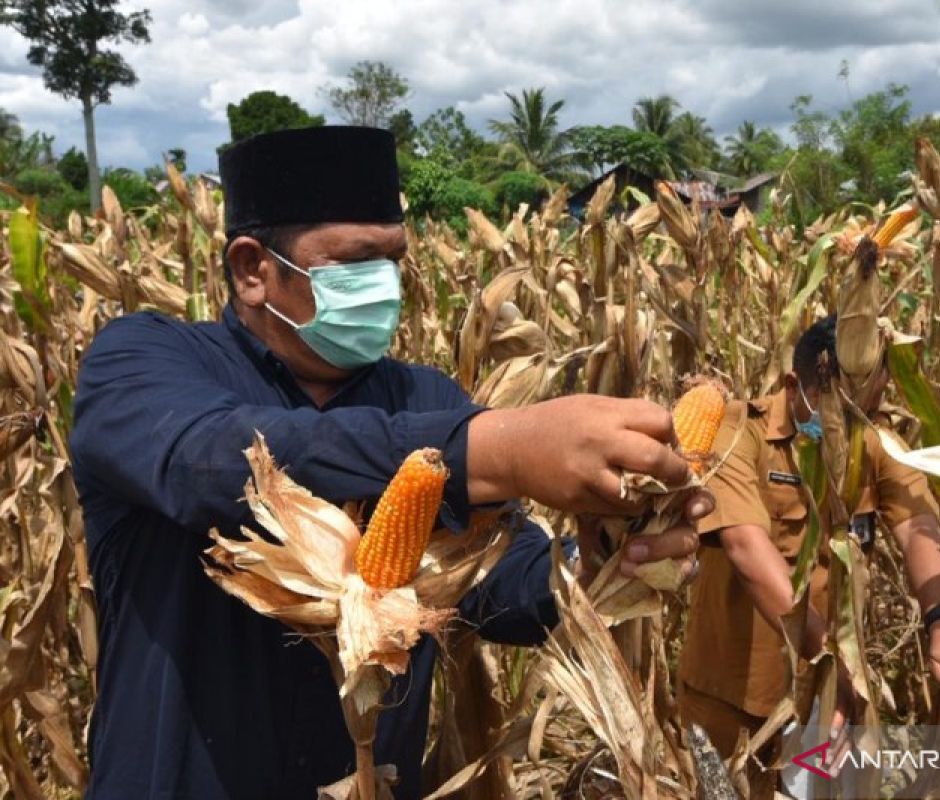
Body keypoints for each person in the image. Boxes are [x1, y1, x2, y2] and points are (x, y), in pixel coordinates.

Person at [69, 126, 707, 800]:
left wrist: (596, 565)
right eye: (355, 262)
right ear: (253, 269)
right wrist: (489, 451)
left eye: (394, 260)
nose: (384, 285)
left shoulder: (424, 395)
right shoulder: (141, 361)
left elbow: (493, 579)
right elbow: (208, 463)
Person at [676, 315, 940, 798]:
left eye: (873, 401)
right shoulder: (737, 431)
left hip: (826, 700)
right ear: (794, 385)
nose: (856, 422)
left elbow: (918, 524)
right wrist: (828, 662)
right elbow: (745, 547)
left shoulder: (875, 441)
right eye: (840, 407)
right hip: (729, 695)